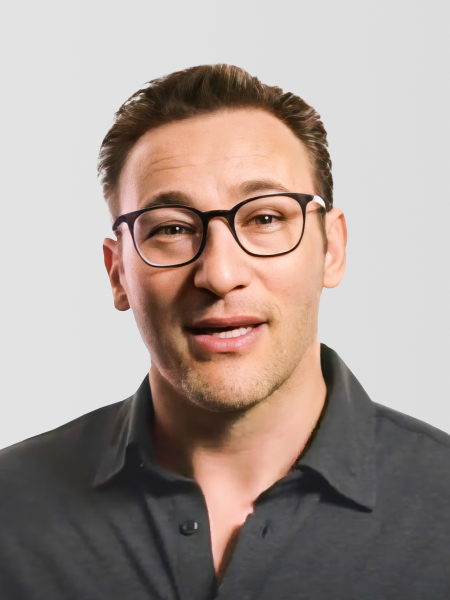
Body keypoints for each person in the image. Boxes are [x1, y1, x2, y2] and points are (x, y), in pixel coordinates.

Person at [0, 64, 449, 600]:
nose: (219, 273)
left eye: (264, 219)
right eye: (170, 228)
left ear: (332, 249)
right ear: (118, 272)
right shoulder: (11, 511)